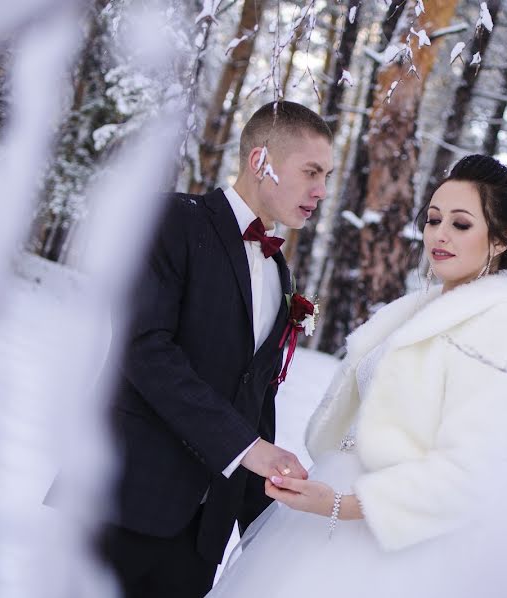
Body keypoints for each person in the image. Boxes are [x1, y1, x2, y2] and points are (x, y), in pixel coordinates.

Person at [206, 154, 507, 597]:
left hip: (389, 537)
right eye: (433, 219)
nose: (440, 235)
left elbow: (473, 470)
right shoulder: (420, 310)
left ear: (502, 239)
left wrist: (342, 505)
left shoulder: (500, 325)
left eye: (462, 224)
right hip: (328, 510)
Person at [96, 100, 334, 598]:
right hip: (122, 504)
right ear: (260, 160)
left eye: (327, 175)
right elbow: (145, 350)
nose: (321, 191)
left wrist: (268, 531)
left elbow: (255, 399)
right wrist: (248, 450)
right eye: (311, 171)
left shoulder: (280, 272)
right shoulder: (171, 220)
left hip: (203, 539)